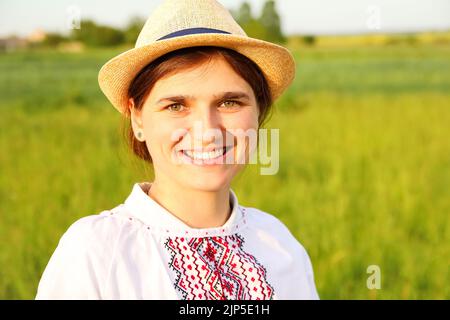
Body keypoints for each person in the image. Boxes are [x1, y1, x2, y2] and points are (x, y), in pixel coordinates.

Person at [35, 0, 319, 300]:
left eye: (229, 102)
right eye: (176, 106)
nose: (207, 131)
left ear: (258, 112)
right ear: (137, 118)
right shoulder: (96, 252)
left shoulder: (279, 244)